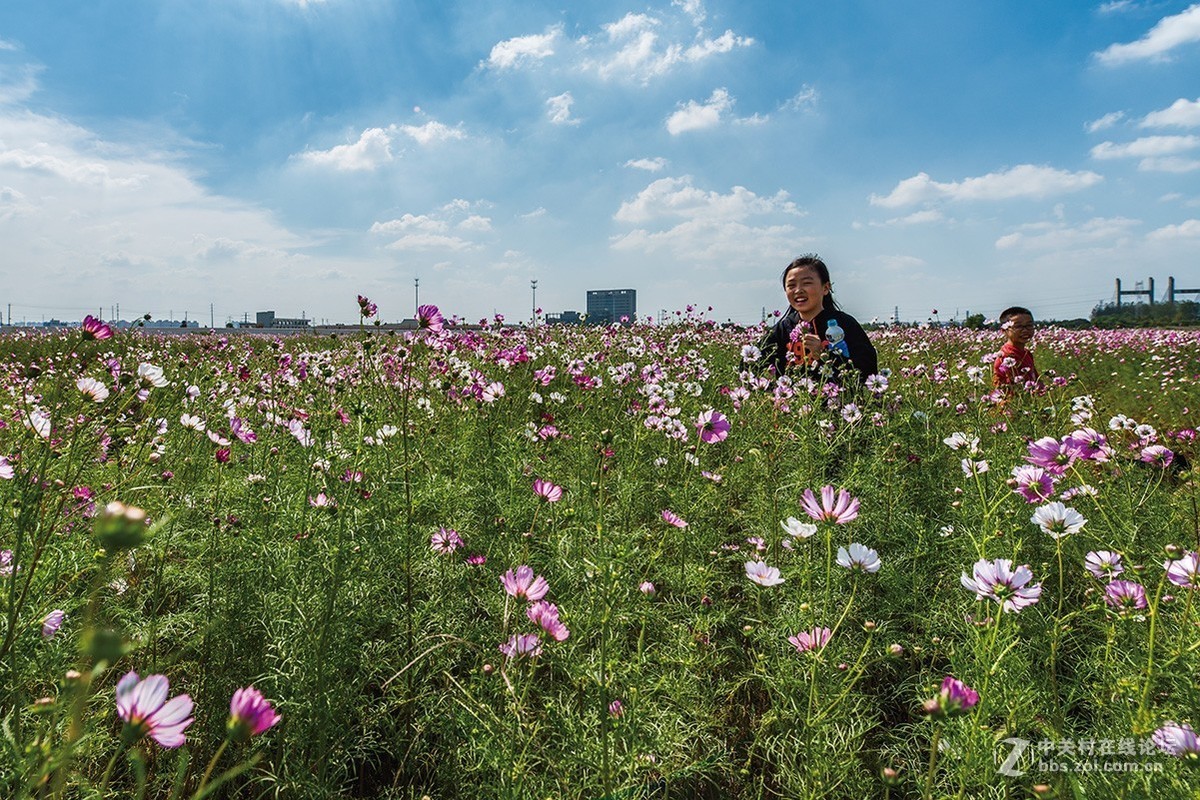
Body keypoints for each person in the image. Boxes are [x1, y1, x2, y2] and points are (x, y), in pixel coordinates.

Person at [758, 255, 878, 382]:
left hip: (837, 400)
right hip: (792, 400)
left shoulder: (845, 324)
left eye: (807, 283)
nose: (798, 290)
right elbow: (751, 365)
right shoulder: (782, 329)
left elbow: (868, 370)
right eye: (791, 285)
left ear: (826, 288)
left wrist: (823, 354)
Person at [992, 306, 1044, 392]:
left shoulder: (1026, 353)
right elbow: (1002, 389)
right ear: (1004, 330)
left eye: (1029, 325)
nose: (1025, 330)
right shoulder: (1003, 357)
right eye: (1018, 326)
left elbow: (1037, 380)